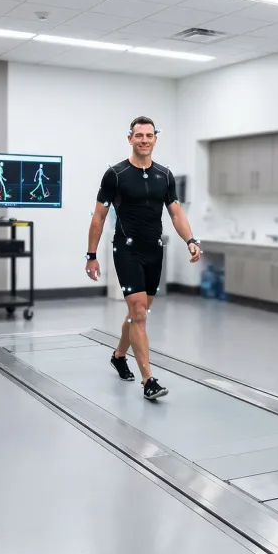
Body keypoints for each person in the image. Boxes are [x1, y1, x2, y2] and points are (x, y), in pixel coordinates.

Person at [85, 116, 202, 401]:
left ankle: (118, 355)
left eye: (149, 135)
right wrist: (91, 255)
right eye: (139, 136)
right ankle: (148, 380)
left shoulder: (164, 175)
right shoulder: (115, 174)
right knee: (138, 313)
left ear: (155, 139)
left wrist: (191, 239)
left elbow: (175, 212)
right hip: (126, 249)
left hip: (153, 249)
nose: (145, 140)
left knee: (139, 312)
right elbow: (99, 217)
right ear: (130, 139)